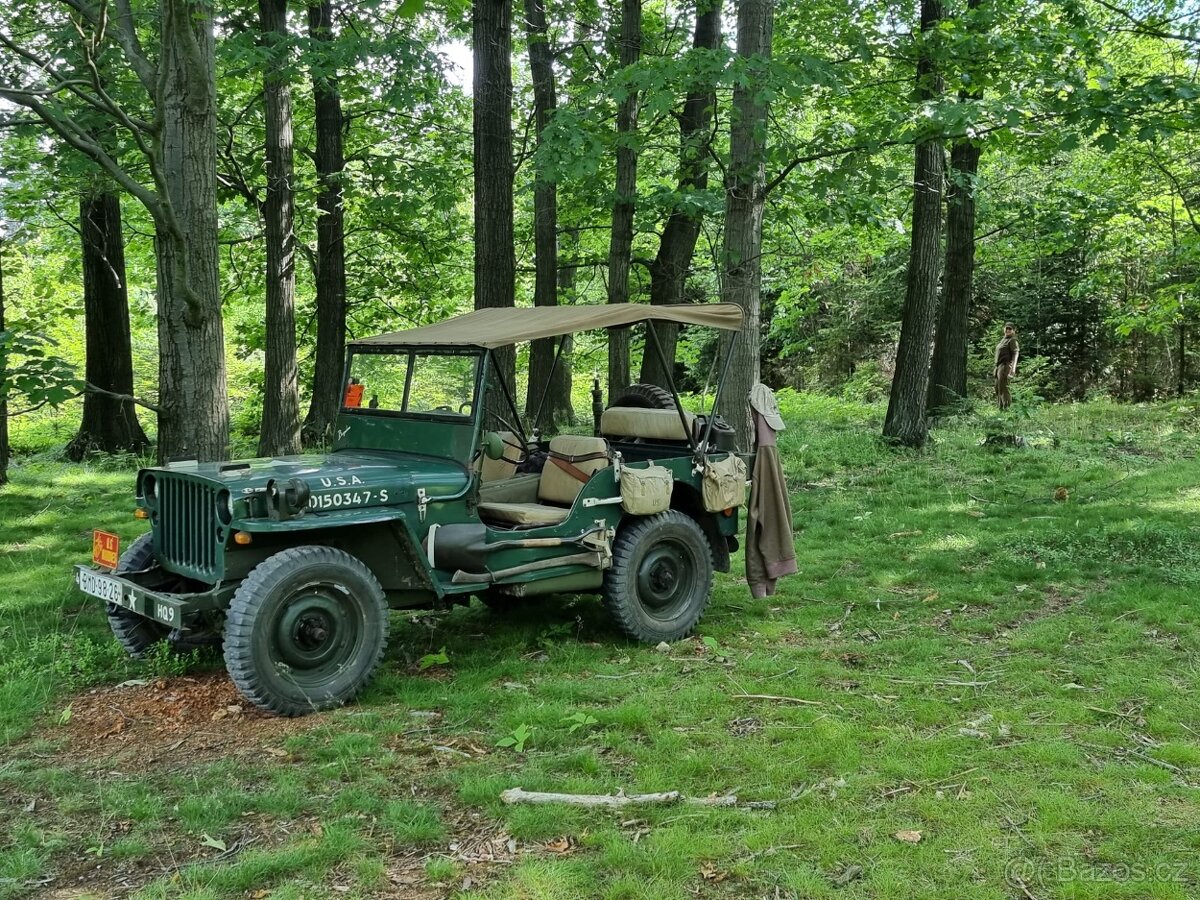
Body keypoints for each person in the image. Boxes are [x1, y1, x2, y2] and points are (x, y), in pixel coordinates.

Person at [994, 322, 1019, 410]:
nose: (1008, 330)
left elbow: (1015, 354)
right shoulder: (1003, 340)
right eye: (1006, 328)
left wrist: (1013, 369)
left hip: (1005, 366)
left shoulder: (1012, 340)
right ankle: (1000, 408)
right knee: (998, 387)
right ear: (1004, 329)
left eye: (1010, 329)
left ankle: (1007, 409)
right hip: (998, 367)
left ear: (1013, 331)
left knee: (1004, 388)